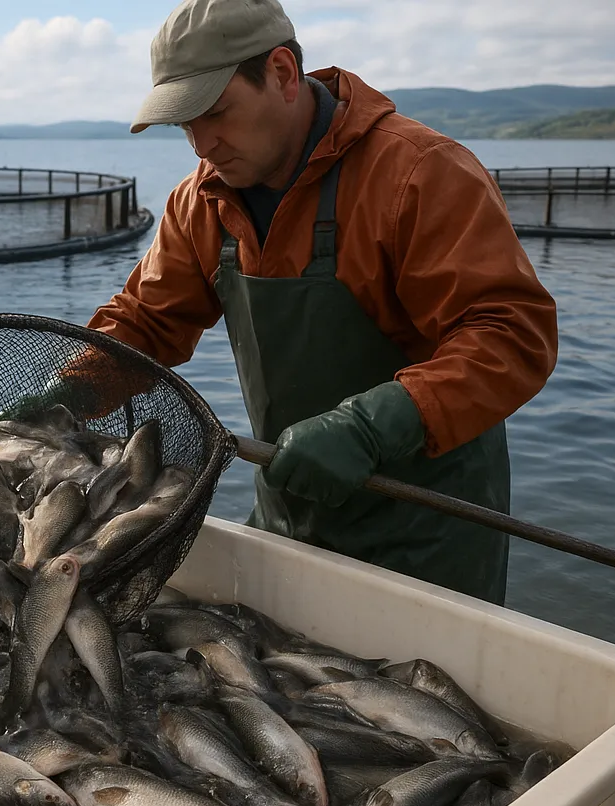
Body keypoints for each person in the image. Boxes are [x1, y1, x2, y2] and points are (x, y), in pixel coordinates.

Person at [40, 0, 558, 606]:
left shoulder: (418, 173)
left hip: (427, 532)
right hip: (288, 509)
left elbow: (511, 334)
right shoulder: (201, 201)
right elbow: (149, 320)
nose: (201, 143)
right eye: (184, 123)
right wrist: (72, 393)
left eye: (215, 111)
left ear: (283, 73)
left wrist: (371, 426)